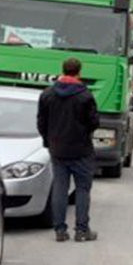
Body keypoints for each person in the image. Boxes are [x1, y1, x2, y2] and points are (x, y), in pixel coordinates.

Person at [38, 57, 100, 242]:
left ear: (63, 70)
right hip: (81, 150)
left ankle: (60, 230)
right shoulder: (85, 96)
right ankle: (82, 230)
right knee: (82, 189)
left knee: (60, 188)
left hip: (57, 149)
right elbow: (94, 122)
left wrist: (48, 140)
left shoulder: (47, 94)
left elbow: (41, 122)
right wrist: (84, 134)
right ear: (79, 72)